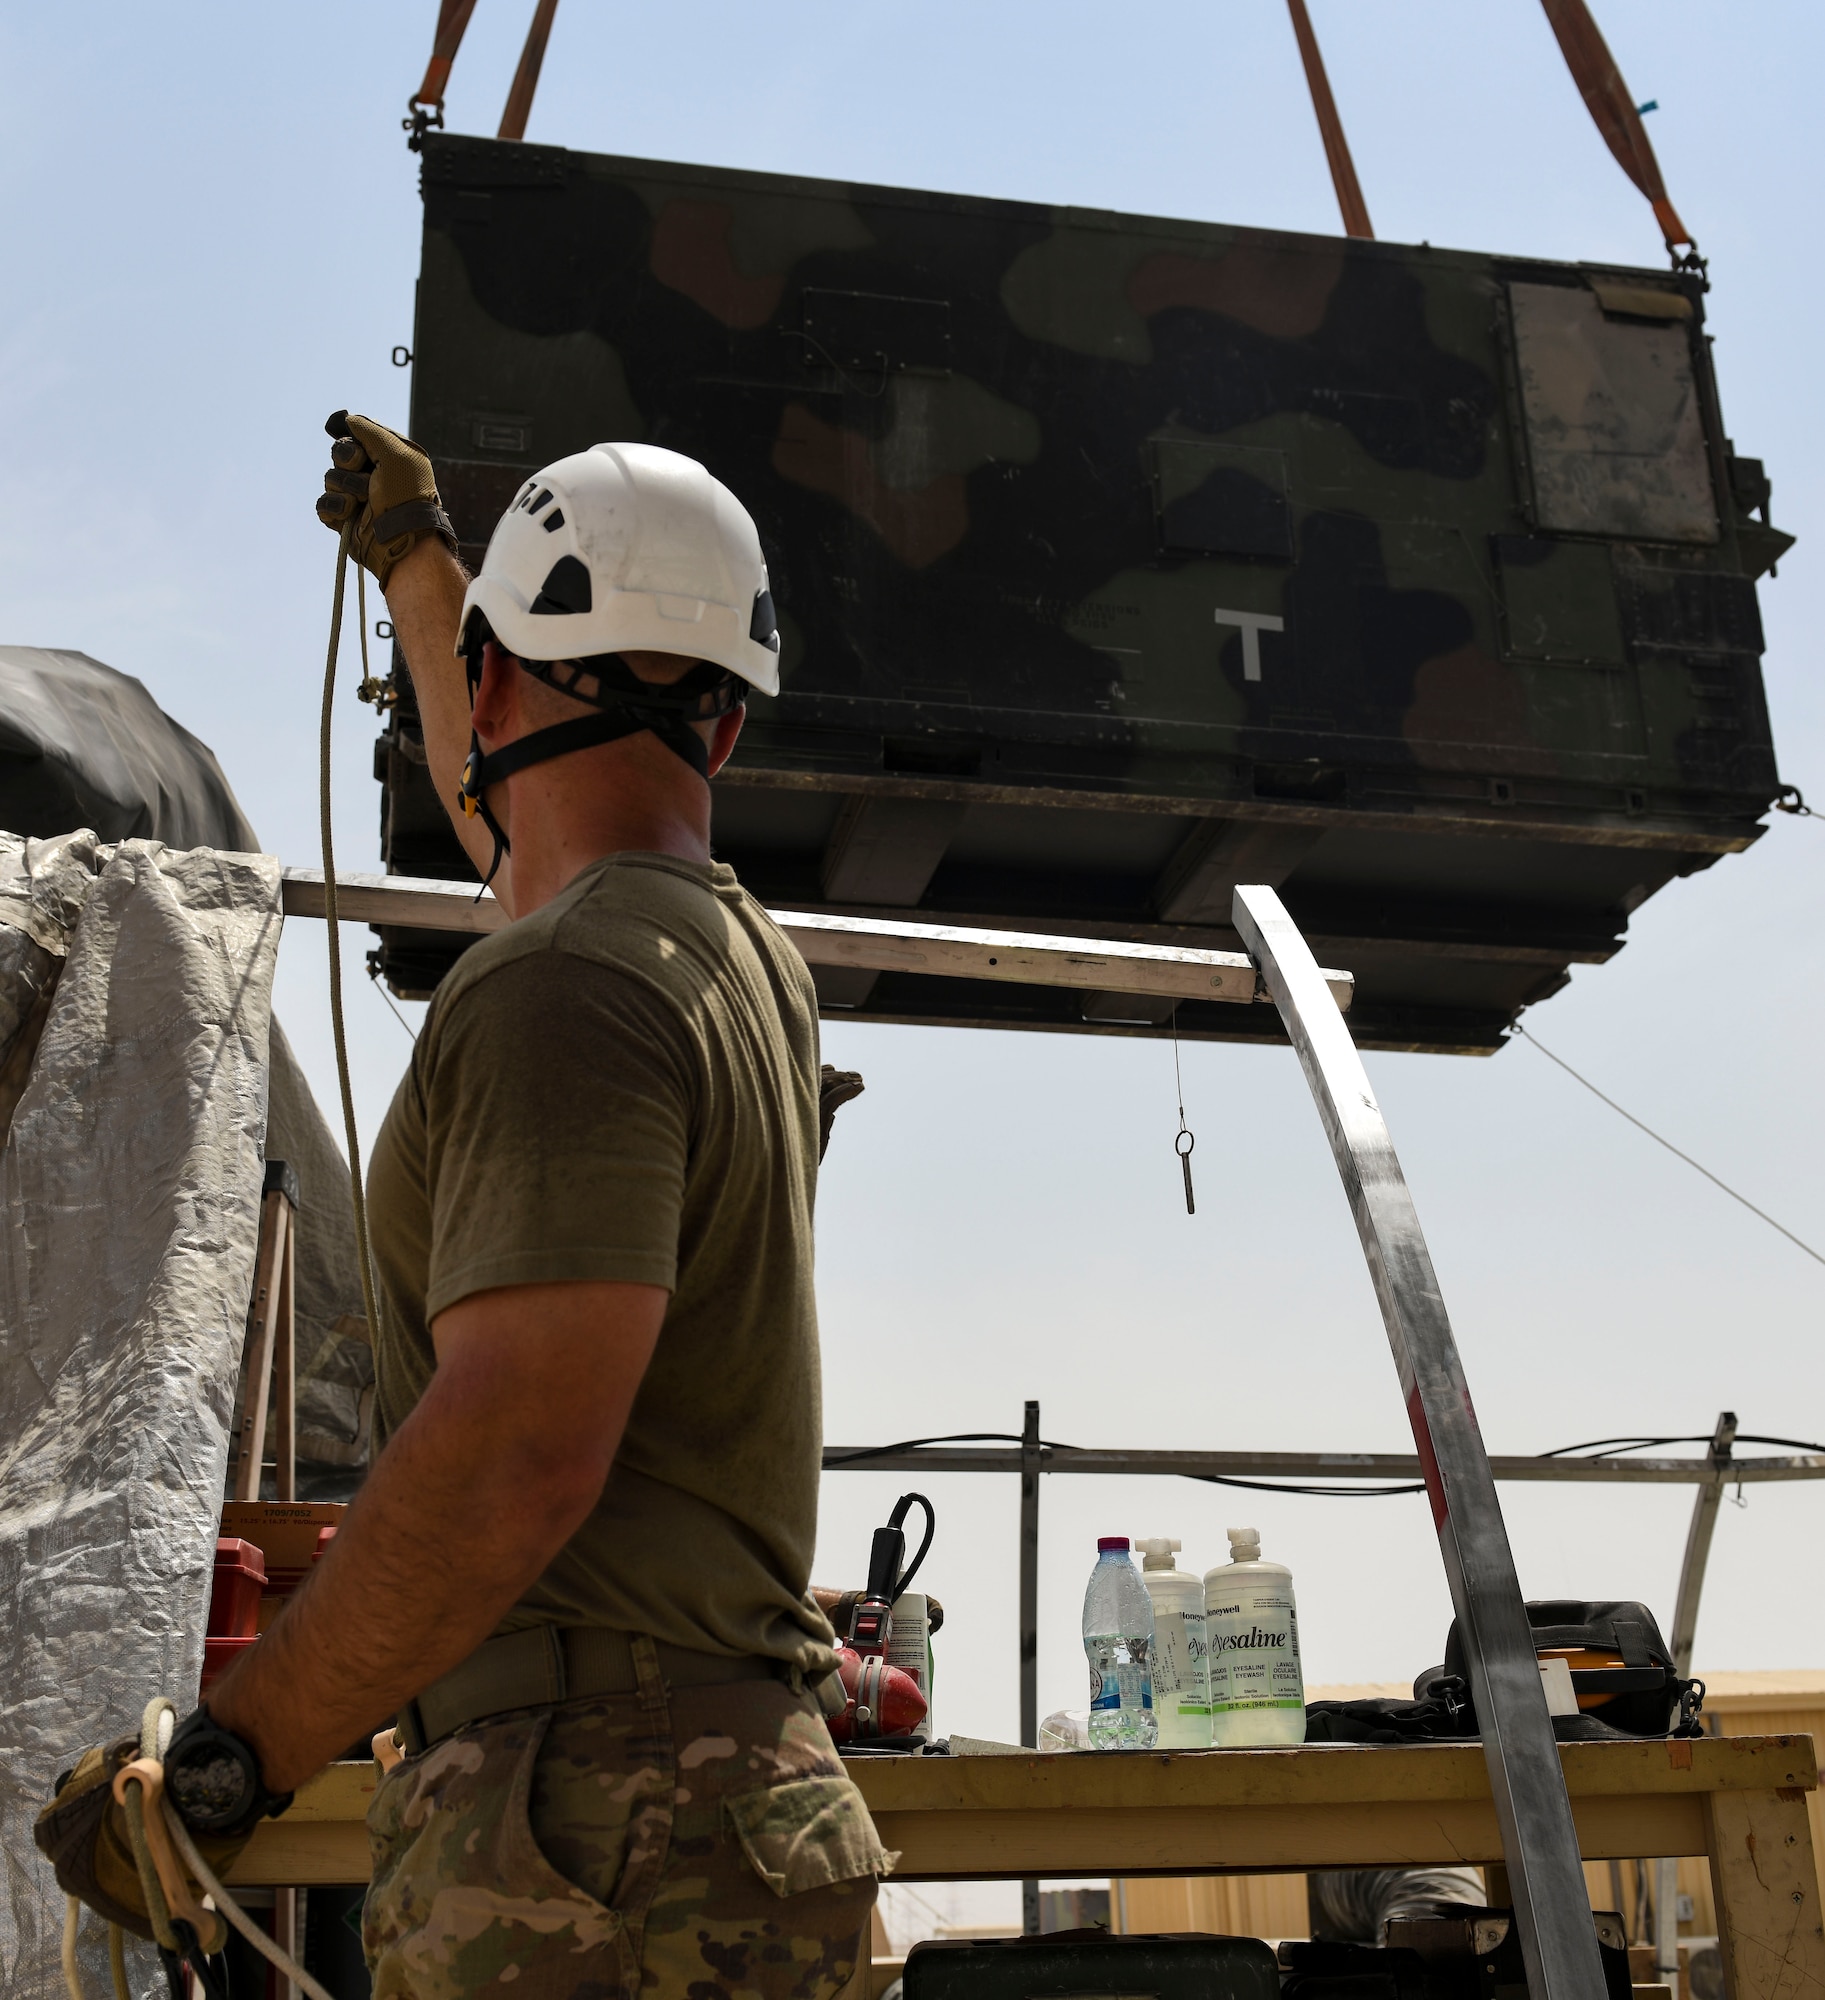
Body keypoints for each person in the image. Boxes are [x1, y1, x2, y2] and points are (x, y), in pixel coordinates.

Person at [42, 417, 888, 1999]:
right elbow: (528, 830)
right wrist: (426, 567)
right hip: (714, 1805)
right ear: (724, 729)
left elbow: (514, 1457)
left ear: (500, 683)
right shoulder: (726, 963)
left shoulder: (562, 992)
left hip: (594, 1839)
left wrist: (234, 1759)